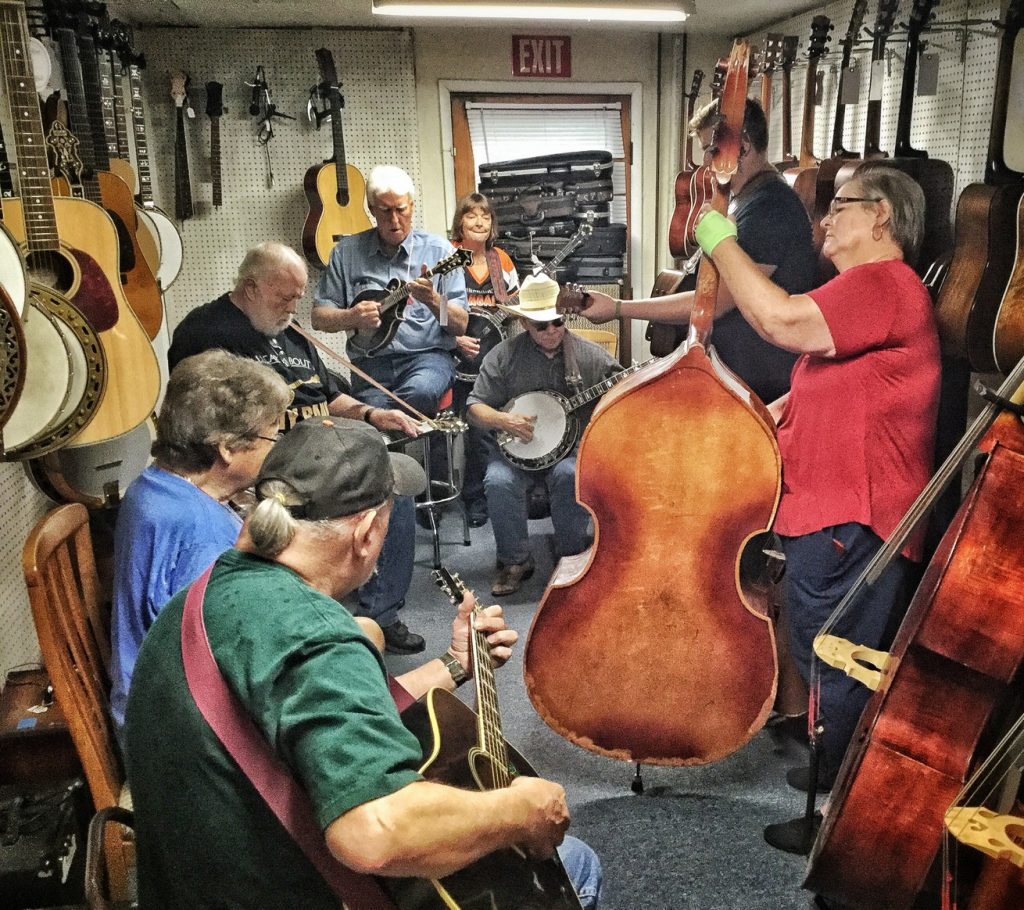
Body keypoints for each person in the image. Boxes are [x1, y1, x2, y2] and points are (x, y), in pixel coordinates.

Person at [124, 418, 602, 909]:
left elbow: (326, 709)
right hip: (304, 887)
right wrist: (521, 809)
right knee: (577, 867)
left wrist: (456, 663)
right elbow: (374, 833)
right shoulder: (313, 630)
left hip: (206, 879)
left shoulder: (215, 591)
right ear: (369, 531)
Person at [692, 167, 940, 851]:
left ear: (881, 218)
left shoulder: (883, 285)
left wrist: (718, 236)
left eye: (838, 209)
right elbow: (807, 399)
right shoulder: (857, 294)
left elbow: (776, 319)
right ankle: (835, 782)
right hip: (828, 514)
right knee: (823, 651)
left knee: (837, 659)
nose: (823, 222)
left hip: (853, 517)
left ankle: (845, 824)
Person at [167, 241, 427, 655]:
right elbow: (203, 422)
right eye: (284, 296)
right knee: (362, 500)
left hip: (324, 448)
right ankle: (318, 626)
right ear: (251, 288)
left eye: (298, 297)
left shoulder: (289, 331)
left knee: (394, 490)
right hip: (271, 466)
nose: (292, 307)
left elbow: (328, 396)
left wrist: (373, 415)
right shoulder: (205, 333)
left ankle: (380, 615)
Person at [578, 97, 817, 405]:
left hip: (758, 383)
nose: (705, 163)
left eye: (710, 149)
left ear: (742, 148)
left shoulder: (771, 207)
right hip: (733, 374)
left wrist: (618, 308)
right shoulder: (744, 200)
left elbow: (714, 303)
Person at [108, 350, 292, 733]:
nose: (276, 446)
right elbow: (232, 661)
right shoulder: (202, 536)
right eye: (271, 436)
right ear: (226, 446)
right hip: (176, 734)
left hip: (146, 705)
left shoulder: (152, 487)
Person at [466, 274, 621, 596]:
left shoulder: (590, 356)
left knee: (568, 475)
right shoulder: (504, 356)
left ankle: (572, 556)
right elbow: (474, 407)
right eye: (541, 325)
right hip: (515, 451)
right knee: (498, 481)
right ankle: (515, 561)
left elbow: (623, 395)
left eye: (557, 322)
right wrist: (503, 419)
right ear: (524, 323)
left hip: (569, 450)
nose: (551, 331)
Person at [311, 164, 470, 417]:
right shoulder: (347, 252)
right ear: (372, 209)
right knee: (372, 420)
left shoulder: (440, 252)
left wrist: (432, 300)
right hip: (370, 364)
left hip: (427, 359)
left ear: (412, 206)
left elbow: (459, 326)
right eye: (385, 211)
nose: (394, 221)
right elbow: (319, 318)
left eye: (401, 210)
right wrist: (351, 317)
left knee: (418, 393)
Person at [449, 191, 522, 528]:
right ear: (460, 222)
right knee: (462, 430)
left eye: (485, 216)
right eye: (471, 215)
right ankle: (462, 497)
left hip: (493, 360)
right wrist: (454, 337)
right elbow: (432, 304)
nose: (479, 222)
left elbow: (514, 309)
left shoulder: (501, 260)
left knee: (489, 429)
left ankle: (488, 495)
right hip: (455, 357)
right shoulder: (447, 256)